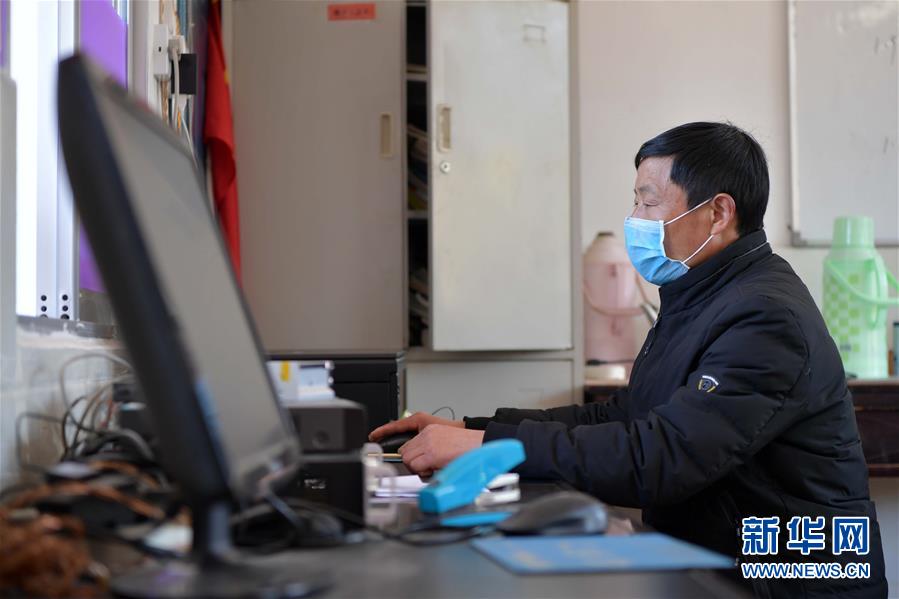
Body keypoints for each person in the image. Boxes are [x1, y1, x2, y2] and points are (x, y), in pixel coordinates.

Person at [370, 122, 887, 598]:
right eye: (635, 201)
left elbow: (663, 456)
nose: (635, 219)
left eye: (649, 201)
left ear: (718, 213)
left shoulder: (766, 317)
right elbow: (624, 415)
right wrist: (474, 430)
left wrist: (491, 448)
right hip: (721, 564)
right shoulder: (702, 293)